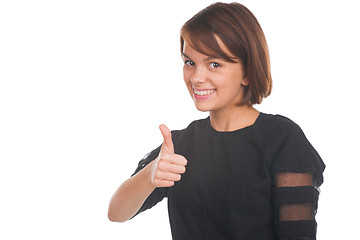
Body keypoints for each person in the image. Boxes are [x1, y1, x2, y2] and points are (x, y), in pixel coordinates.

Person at [108, 2, 325, 240]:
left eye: (214, 64)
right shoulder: (179, 145)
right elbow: (117, 213)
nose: (196, 78)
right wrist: (150, 174)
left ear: (247, 71)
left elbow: (298, 234)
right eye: (190, 62)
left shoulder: (282, 139)